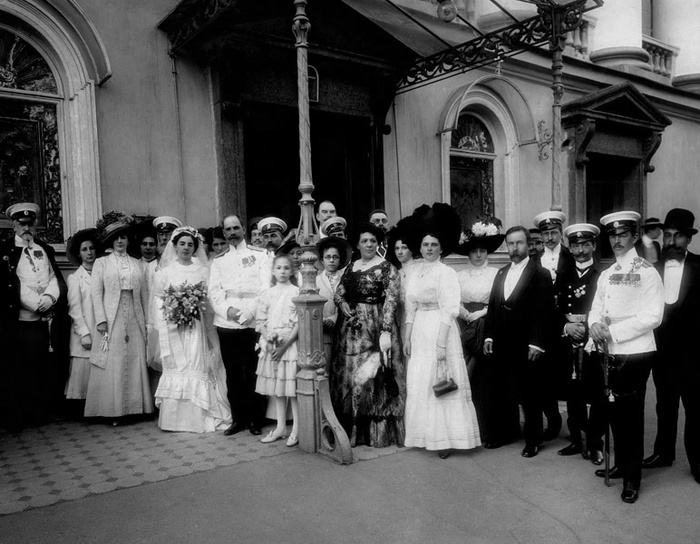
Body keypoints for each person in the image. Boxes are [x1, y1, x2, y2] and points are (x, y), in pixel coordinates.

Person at [587, 211, 664, 504]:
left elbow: (653, 316)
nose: (617, 240)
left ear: (634, 236)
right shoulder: (607, 274)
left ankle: (632, 477)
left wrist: (613, 332)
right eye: (612, 235)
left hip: (636, 352)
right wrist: (594, 325)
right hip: (608, 351)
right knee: (613, 412)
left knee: (630, 416)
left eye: (623, 235)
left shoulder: (646, 272)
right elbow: (596, 307)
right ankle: (621, 464)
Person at [403, 203, 481, 459]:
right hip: (419, 331)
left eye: (433, 245)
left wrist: (440, 343)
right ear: (419, 247)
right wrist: (407, 337)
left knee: (442, 380)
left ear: (441, 247)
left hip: (440, 328)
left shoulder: (446, 273)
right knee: (421, 381)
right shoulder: (414, 272)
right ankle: (425, 434)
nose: (429, 249)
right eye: (425, 244)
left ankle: (447, 438)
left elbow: (449, 309)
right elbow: (410, 307)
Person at [152, 226, 232, 433]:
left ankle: (197, 418)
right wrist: (173, 310)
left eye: (190, 244)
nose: (186, 248)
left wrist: (195, 307)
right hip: (173, 327)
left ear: (195, 248)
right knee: (176, 366)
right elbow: (158, 299)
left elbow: (209, 300)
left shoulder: (203, 271)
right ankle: (173, 421)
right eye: (182, 244)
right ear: (175, 246)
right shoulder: (165, 272)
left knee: (196, 364)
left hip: (196, 327)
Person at [483, 226, 554, 457]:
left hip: (526, 343)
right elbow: (493, 306)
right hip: (502, 341)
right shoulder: (501, 273)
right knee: (503, 389)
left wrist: (537, 343)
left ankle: (534, 440)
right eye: (511, 243)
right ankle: (505, 433)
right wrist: (489, 336)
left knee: (530, 392)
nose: (515, 248)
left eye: (519, 243)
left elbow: (544, 312)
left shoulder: (540, 273)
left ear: (528, 244)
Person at [332, 222, 405, 447]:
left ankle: (376, 433)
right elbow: (339, 293)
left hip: (375, 327)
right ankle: (352, 430)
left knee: (374, 378)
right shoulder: (351, 267)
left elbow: (391, 301)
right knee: (352, 378)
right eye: (364, 241)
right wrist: (345, 307)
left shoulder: (387, 268)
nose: (369, 244)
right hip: (350, 330)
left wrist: (385, 331)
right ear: (357, 244)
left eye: (373, 241)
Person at [642, 208, 700, 484]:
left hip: (694, 353)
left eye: (678, 236)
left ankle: (698, 461)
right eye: (667, 235)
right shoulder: (652, 270)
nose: (672, 242)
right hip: (662, 352)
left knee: (695, 408)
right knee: (664, 405)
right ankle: (663, 453)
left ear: (688, 239)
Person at [0, 202, 69, 432]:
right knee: (17, 368)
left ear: (36, 224)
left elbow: (53, 277)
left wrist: (49, 298)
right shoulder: (5, 251)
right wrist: (35, 304)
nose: (26, 228)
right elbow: (10, 284)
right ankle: (17, 417)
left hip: (43, 320)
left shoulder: (44, 249)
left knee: (40, 366)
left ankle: (39, 412)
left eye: (30, 224)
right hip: (19, 320)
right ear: (13, 225)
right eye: (22, 224)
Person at [85, 211, 153, 422]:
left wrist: (147, 322)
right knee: (113, 361)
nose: (120, 241)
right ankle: (113, 410)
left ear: (128, 240)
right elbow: (96, 293)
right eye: (116, 238)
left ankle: (136, 408)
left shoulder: (136, 263)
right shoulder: (102, 263)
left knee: (134, 359)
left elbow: (144, 294)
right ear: (111, 241)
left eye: (123, 237)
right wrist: (101, 319)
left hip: (134, 316)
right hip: (111, 317)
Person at [208, 214, 269, 436]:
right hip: (227, 322)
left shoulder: (260, 255)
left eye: (236, 228)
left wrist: (249, 312)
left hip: (253, 320)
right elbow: (214, 292)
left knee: (253, 371)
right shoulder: (219, 261)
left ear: (243, 229)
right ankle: (238, 419)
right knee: (232, 372)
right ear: (224, 233)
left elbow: (265, 287)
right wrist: (229, 311)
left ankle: (255, 419)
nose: (232, 233)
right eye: (228, 229)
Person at [553, 224, 605, 464]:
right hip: (568, 340)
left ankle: (595, 442)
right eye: (575, 246)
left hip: (593, 340)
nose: (581, 250)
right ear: (570, 248)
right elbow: (553, 309)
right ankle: (577, 438)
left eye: (585, 245)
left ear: (593, 245)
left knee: (597, 393)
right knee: (573, 392)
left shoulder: (602, 275)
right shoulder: (562, 275)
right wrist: (566, 327)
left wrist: (590, 329)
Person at [455, 220, 503, 443]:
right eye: (474, 251)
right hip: (464, 322)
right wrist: (466, 314)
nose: (478, 255)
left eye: (482, 251)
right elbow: (453, 299)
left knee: (484, 377)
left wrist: (481, 314)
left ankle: (488, 429)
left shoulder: (496, 274)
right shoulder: (460, 275)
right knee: (465, 374)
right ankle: (465, 430)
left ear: (487, 253)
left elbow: (499, 301)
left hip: (487, 324)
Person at [533, 210, 575, 441]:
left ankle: (575, 426)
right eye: (545, 233)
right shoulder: (534, 260)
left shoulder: (571, 257)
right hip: (543, 327)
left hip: (567, 325)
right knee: (543, 377)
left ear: (561, 233)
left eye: (553, 232)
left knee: (569, 377)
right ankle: (553, 420)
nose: (549, 238)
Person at [255, 255, 301, 446]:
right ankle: (281, 427)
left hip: (289, 346)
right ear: (273, 271)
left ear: (292, 271)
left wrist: (284, 346)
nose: (282, 271)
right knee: (278, 389)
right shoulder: (267, 294)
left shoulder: (296, 292)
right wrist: (268, 339)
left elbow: (299, 324)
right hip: (272, 346)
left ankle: (297, 429)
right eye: (279, 268)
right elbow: (260, 321)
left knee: (292, 389)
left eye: (286, 268)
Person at [65, 228, 100, 407]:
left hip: (100, 329)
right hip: (84, 331)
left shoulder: (101, 274)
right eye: (84, 249)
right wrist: (84, 333)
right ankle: (80, 408)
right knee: (83, 370)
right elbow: (75, 309)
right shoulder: (75, 278)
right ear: (79, 254)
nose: (89, 253)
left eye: (91, 248)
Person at [316, 236, 352, 365]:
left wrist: (335, 318)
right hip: (322, 332)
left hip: (344, 330)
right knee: (324, 365)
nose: (331, 260)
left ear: (340, 260)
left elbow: (351, 302)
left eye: (335, 257)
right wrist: (322, 319)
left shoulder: (347, 279)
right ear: (322, 260)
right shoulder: (315, 281)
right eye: (328, 257)